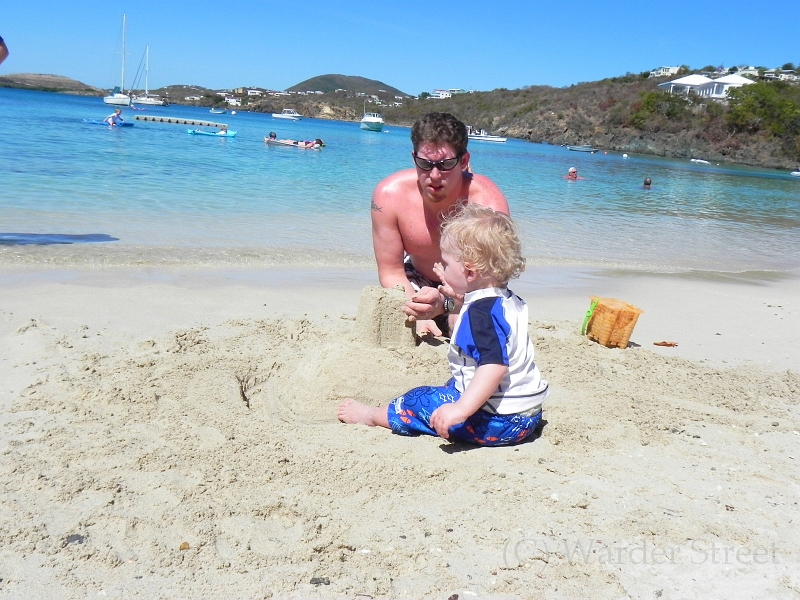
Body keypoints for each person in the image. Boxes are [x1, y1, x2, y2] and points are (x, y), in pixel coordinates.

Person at [338, 204, 549, 446]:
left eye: (447, 265)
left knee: (417, 399)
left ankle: (371, 416)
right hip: (528, 415)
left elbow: (494, 366)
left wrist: (460, 409)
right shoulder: (508, 301)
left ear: (470, 273)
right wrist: (453, 298)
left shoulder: (480, 315)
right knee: (453, 383)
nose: (443, 270)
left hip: (498, 422)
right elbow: (486, 325)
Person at [371, 112, 509, 337]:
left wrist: (446, 305)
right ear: (414, 158)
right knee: (395, 311)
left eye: (445, 165)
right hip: (416, 278)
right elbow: (391, 271)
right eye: (425, 164)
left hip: (470, 284)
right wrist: (419, 313)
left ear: (463, 161)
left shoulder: (488, 203)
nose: (434, 175)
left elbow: (492, 281)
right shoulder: (389, 196)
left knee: (464, 326)